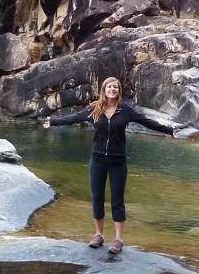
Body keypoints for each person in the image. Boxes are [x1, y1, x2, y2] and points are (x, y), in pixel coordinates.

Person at [43, 76, 176, 254]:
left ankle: (118, 240)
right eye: (109, 87)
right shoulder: (94, 109)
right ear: (104, 89)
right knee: (97, 197)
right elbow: (73, 118)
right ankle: (98, 235)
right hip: (97, 160)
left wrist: (168, 130)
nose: (112, 89)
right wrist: (53, 122)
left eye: (115, 87)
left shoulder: (125, 110)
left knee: (117, 201)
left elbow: (146, 122)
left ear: (119, 91)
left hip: (117, 162)